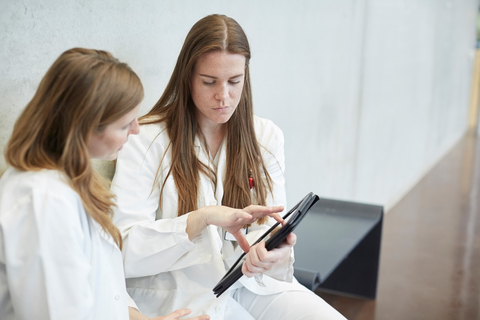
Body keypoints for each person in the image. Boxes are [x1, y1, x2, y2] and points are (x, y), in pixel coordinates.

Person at [111, 14, 346, 320]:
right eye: (209, 82)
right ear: (188, 77)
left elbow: (269, 227)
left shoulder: (266, 137)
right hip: (179, 294)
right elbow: (122, 249)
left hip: (252, 285)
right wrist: (200, 220)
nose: (224, 96)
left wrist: (272, 254)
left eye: (235, 81)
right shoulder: (146, 138)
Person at [0, 48, 209, 320]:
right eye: (124, 124)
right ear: (84, 125)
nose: (136, 129)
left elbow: (102, 288)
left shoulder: (71, 183)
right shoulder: (44, 200)